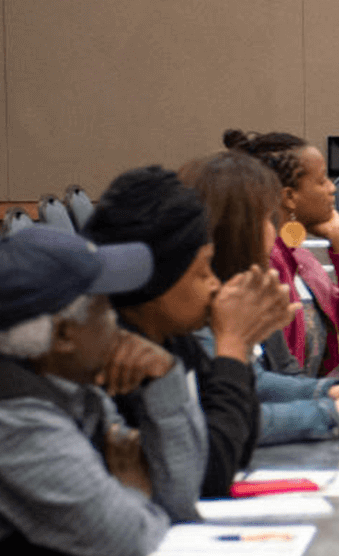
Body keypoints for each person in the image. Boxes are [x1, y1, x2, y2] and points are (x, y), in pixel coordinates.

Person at [0, 227, 204, 556]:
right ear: (64, 335)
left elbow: (179, 504)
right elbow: (127, 540)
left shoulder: (72, 386)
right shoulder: (12, 419)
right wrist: (137, 492)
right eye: (106, 308)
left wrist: (165, 379)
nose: (119, 323)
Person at [82, 166, 294, 496]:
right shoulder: (120, 358)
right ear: (159, 282)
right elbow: (210, 473)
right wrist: (233, 345)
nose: (213, 284)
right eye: (202, 271)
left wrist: (241, 344)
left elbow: (241, 441)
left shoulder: (173, 337)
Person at [178, 151, 339, 444]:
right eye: (267, 217)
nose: (333, 187)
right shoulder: (192, 308)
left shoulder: (249, 284)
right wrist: (330, 412)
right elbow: (223, 421)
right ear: (239, 228)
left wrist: (328, 391)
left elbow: (265, 378)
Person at [225, 129, 339, 376]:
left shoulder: (301, 258)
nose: (332, 188)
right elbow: (277, 375)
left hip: (309, 395)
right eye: (321, 180)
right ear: (289, 196)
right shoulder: (266, 263)